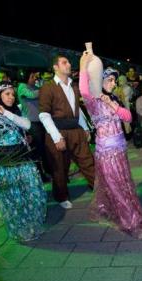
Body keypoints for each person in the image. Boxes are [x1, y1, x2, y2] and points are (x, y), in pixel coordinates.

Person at [79, 52, 142, 239]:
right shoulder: (93, 102)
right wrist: (83, 67)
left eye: (114, 80)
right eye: (110, 80)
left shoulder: (114, 99)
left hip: (120, 151)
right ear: (100, 81)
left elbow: (128, 117)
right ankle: (132, 222)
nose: (114, 83)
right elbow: (84, 90)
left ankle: (111, 208)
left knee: (124, 185)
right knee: (116, 187)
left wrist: (113, 105)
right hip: (106, 153)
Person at [0, 76, 47, 241]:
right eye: (7, 94)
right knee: (13, 199)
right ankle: (21, 230)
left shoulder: (16, 111)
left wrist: (5, 112)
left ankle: (33, 225)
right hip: (5, 164)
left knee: (31, 195)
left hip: (24, 162)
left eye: (13, 94)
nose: (11, 97)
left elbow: (27, 125)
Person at [39, 55, 95, 209]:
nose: (69, 64)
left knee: (88, 161)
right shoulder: (47, 87)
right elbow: (44, 114)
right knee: (60, 168)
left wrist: (85, 128)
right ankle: (61, 196)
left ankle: (99, 189)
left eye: (69, 62)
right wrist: (56, 137)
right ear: (55, 67)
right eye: (64, 62)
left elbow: (78, 110)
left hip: (76, 130)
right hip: (58, 132)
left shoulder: (74, 86)